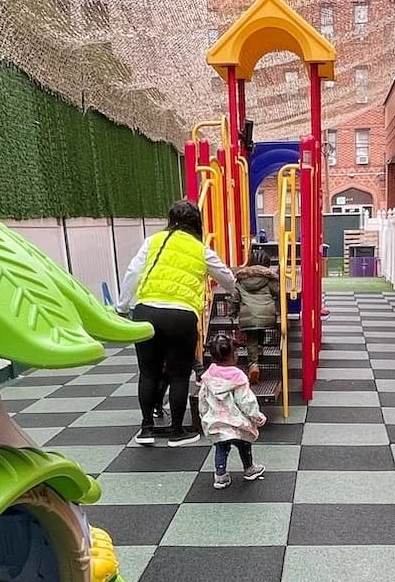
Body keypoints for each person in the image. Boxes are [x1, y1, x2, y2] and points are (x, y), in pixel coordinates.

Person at [118, 200, 237, 445]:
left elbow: (132, 272)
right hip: (180, 316)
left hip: (146, 312)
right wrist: (235, 291)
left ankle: (147, 428)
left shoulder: (152, 241)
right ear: (196, 223)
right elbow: (226, 276)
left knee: (148, 373)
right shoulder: (200, 248)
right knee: (178, 375)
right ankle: (176, 432)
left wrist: (122, 306)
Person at [198, 331, 266, 488]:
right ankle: (249, 468)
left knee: (221, 448)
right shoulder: (238, 377)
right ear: (234, 354)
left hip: (216, 421)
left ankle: (220, 476)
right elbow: (246, 401)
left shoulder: (208, 376)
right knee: (244, 444)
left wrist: (204, 415)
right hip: (237, 423)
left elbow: (203, 399)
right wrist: (257, 417)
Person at [232, 243, 281, 386]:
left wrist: (232, 313)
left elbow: (235, 298)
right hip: (267, 314)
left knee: (251, 337)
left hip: (248, 315)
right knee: (261, 327)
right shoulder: (268, 279)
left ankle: (253, 364)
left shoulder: (241, 279)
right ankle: (259, 350)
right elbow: (277, 292)